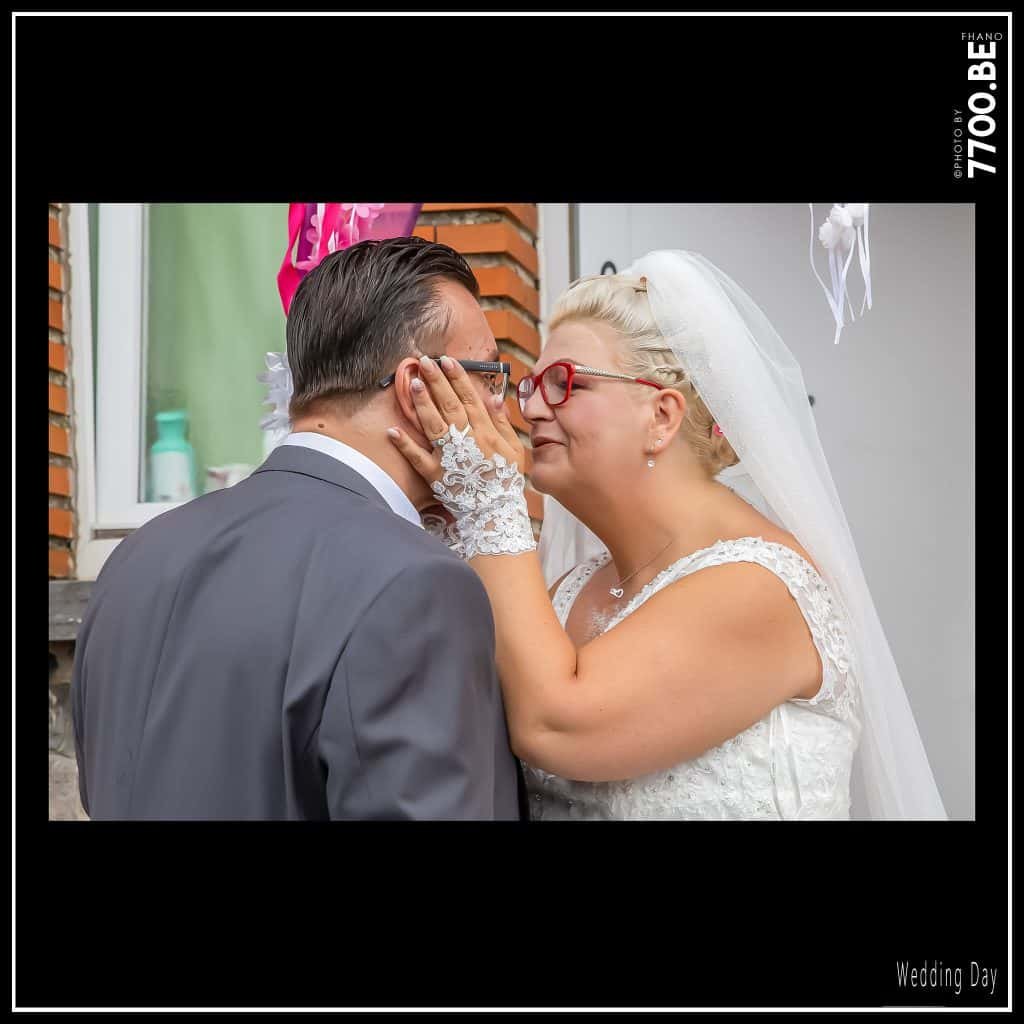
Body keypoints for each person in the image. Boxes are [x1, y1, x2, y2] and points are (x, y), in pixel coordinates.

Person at [387, 249, 947, 820]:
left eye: (563, 383)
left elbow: (557, 723)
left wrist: (491, 504)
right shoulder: (564, 592)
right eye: (530, 386)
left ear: (661, 416)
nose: (529, 410)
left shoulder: (762, 588)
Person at [71, 237, 525, 820]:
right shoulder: (417, 584)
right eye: (488, 377)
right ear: (418, 388)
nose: (500, 411)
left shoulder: (136, 556)